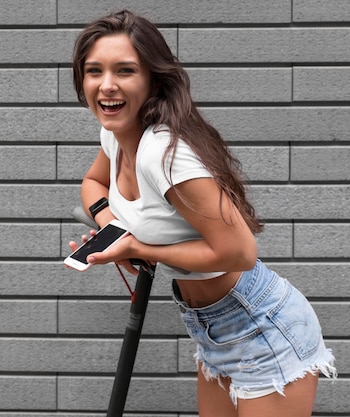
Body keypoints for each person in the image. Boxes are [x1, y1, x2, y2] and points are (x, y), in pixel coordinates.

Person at [68, 10, 336, 417]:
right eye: (94, 71)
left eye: (125, 70)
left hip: (261, 325)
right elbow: (93, 185)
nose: (106, 85)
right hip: (211, 327)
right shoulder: (116, 134)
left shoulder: (162, 153)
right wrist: (114, 231)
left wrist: (142, 247)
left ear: (153, 80)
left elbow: (240, 252)